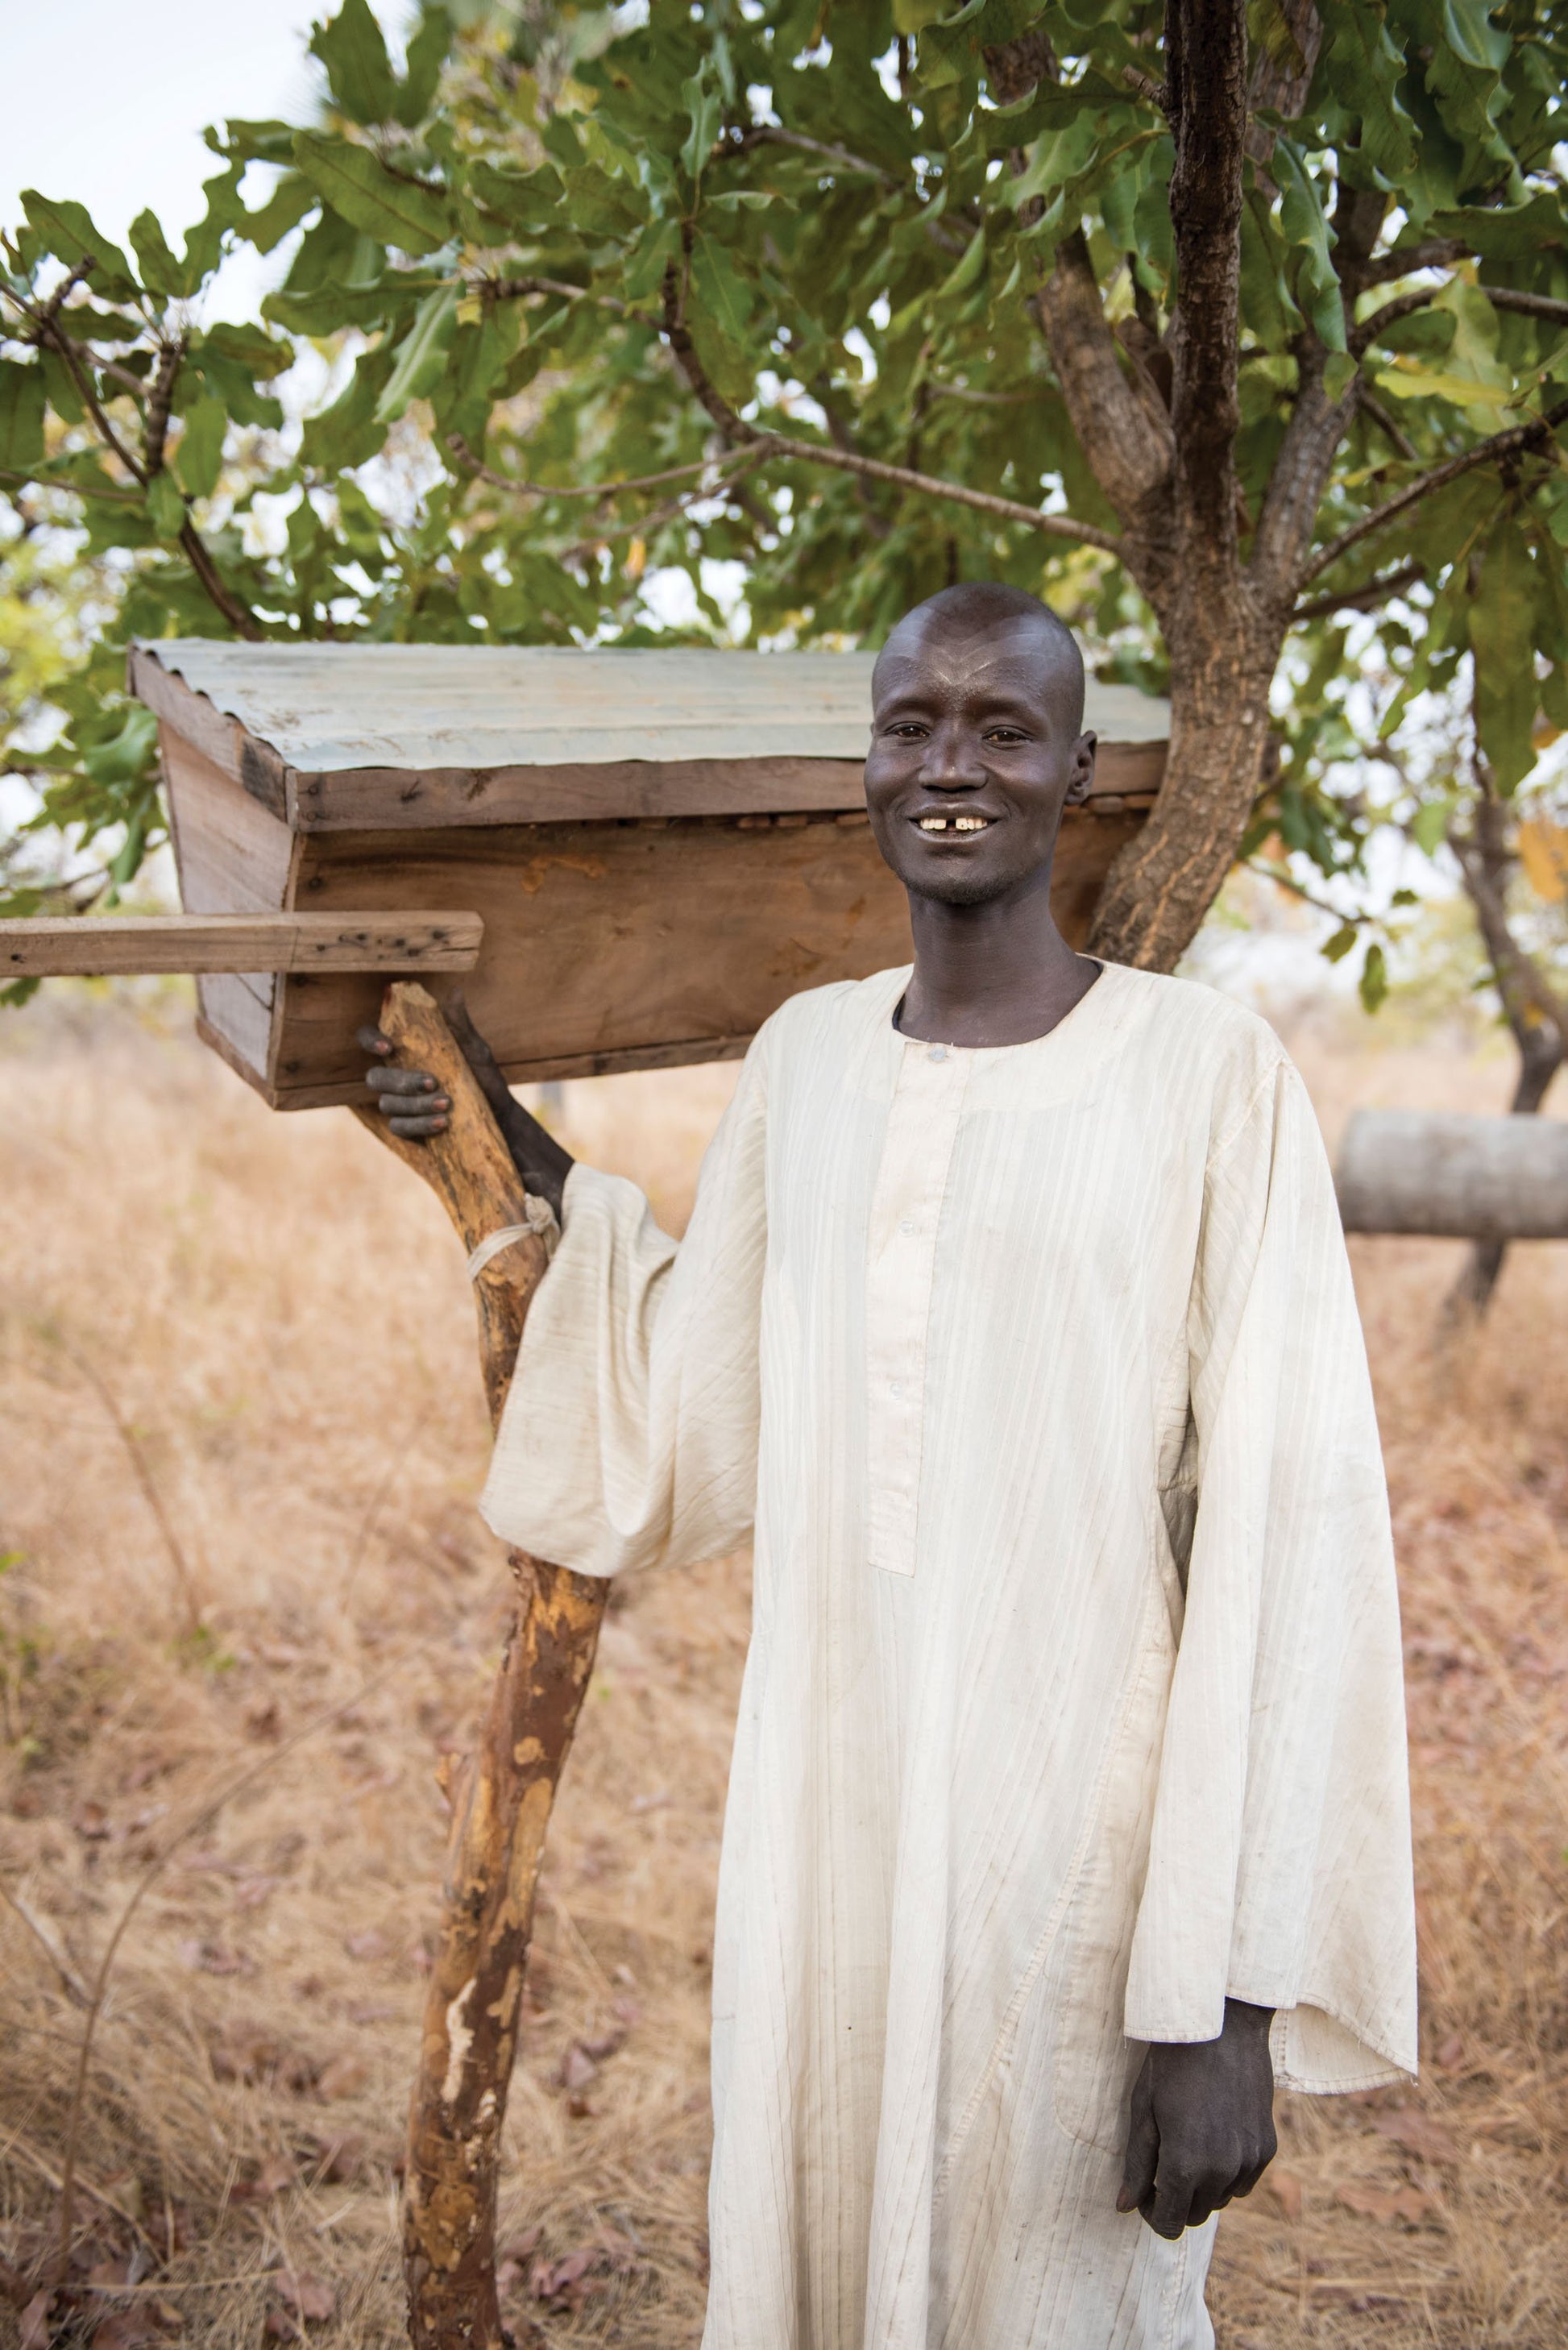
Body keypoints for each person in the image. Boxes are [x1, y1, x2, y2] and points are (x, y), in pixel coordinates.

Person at [363, 583, 1416, 2350]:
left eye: (1003, 729)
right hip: (827, 1818)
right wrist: (498, 1128)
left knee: (1058, 2285)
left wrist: (1226, 1996)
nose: (952, 765)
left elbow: (1292, 1535)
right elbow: (701, 1372)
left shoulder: (1206, 1077)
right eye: (910, 725)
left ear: (1076, 770)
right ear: (865, 762)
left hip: (1085, 1855)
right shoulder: (810, 1062)